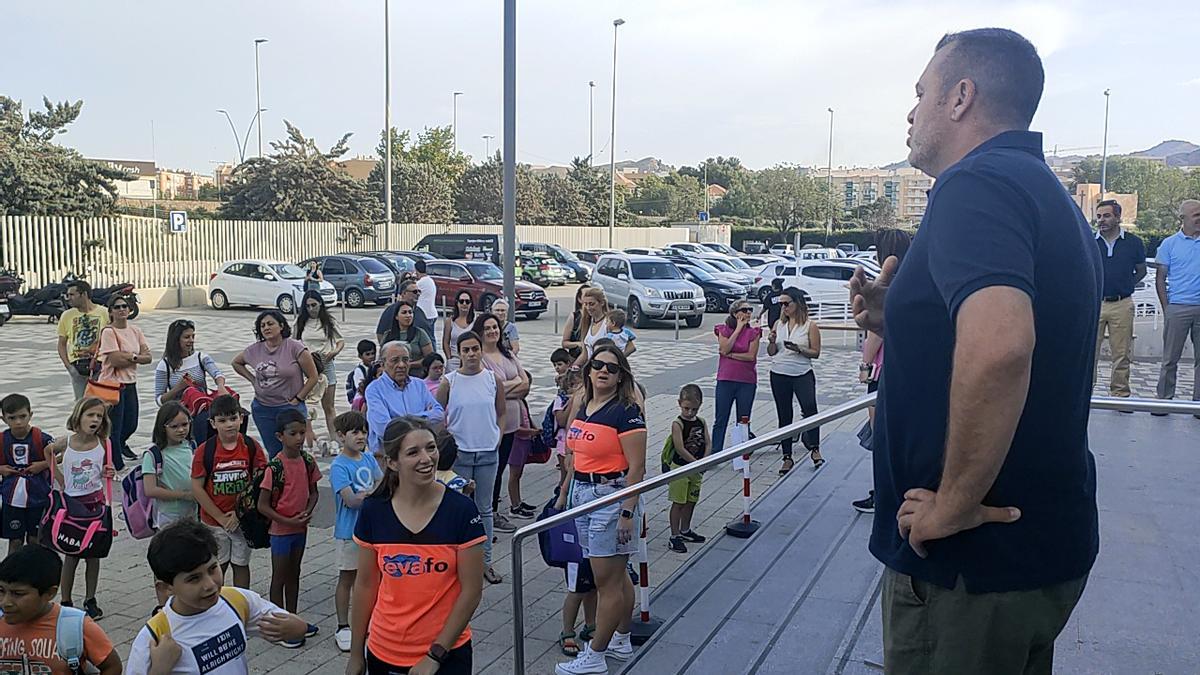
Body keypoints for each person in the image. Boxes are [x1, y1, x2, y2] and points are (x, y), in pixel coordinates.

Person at [850, 29, 1099, 673]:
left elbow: (1002, 348)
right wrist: (901, 319)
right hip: (1037, 550)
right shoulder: (1041, 189)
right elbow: (1018, 330)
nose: (910, 113)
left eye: (921, 92)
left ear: (961, 97)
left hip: (970, 570)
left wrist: (954, 501)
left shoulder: (975, 186)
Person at [348, 417, 485, 675]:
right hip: (383, 650)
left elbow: (472, 591)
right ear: (392, 462)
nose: (427, 458)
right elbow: (366, 585)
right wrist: (356, 653)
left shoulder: (461, 510)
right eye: (413, 452)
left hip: (446, 653)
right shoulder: (374, 510)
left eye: (431, 448)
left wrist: (435, 655)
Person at [554, 345, 646, 675]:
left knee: (606, 581)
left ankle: (595, 655)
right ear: (589, 370)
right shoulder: (586, 406)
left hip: (612, 495)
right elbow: (576, 455)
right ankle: (621, 637)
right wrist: (564, 492)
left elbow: (637, 468)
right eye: (597, 365)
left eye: (611, 367)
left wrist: (627, 511)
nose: (603, 371)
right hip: (582, 492)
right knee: (615, 574)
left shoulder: (626, 411)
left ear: (621, 375)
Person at [127, 520, 309, 674]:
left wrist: (297, 627)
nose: (210, 585)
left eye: (212, 569)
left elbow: (292, 627)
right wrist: (159, 671)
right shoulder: (155, 638)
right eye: (194, 578)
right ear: (166, 587)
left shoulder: (235, 600)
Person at [437, 330, 507, 585]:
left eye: (475, 349)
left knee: (485, 509)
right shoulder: (450, 381)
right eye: (465, 350)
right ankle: (457, 561)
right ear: (458, 352)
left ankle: (485, 562)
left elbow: (501, 413)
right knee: (458, 509)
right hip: (461, 455)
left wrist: (497, 437)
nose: (471, 354)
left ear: (481, 350)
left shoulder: (492, 379)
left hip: (488, 452)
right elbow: (437, 415)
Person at [852, 228, 912, 514]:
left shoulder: (886, 286)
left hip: (882, 371)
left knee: (881, 437)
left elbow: (876, 333)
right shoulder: (914, 279)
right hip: (905, 369)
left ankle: (883, 494)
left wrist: (865, 365)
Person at [0, 544, 121, 675]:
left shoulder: (75, 626)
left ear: (49, 593)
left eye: (18, 593)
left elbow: (112, 666)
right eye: (1, 591)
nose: (6, 602)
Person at [256, 408, 321, 648]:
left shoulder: (307, 461)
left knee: (295, 573)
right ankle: (278, 624)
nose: (299, 438)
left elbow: (313, 492)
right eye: (293, 433)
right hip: (281, 532)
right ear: (280, 436)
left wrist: (308, 511)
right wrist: (287, 521)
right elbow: (263, 505)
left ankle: (294, 620)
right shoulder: (275, 468)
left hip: (300, 529)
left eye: (302, 432)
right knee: (279, 577)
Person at [46, 397, 116, 620]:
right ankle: (65, 599)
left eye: (99, 416)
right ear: (78, 416)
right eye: (90, 415)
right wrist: (59, 477)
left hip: (94, 504)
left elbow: (108, 468)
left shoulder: (104, 444)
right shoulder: (66, 443)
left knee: (93, 556)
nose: (95, 419)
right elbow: (48, 451)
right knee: (71, 554)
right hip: (71, 505)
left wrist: (110, 473)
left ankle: (90, 598)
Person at [190, 394, 266, 590]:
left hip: (242, 520)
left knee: (241, 565)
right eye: (222, 421)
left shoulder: (251, 446)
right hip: (214, 523)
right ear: (213, 423)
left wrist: (240, 513)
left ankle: (241, 604)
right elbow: (197, 488)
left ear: (241, 418)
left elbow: (260, 481)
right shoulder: (204, 451)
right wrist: (220, 518)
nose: (229, 425)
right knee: (216, 566)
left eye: (233, 418)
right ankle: (215, 606)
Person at [231, 310, 319, 458]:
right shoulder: (255, 349)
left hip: (290, 408)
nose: (266, 328)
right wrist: (253, 381)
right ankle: (278, 480)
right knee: (274, 453)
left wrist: (298, 398)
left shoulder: (295, 347)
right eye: (262, 325)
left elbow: (313, 377)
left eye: (270, 324)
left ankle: (297, 479)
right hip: (263, 409)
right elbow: (236, 363)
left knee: (293, 451)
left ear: (282, 326)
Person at [329, 410, 381, 653]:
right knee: (347, 578)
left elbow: (381, 483)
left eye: (364, 431)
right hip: (349, 531)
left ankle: (370, 618)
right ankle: (342, 626)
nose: (361, 436)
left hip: (372, 530)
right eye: (355, 432)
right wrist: (372, 495)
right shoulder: (339, 466)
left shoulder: (369, 459)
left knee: (371, 577)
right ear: (341, 436)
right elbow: (351, 500)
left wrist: (370, 494)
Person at [474, 313, 531, 529]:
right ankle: (487, 511)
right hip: (491, 423)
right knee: (491, 468)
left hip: (512, 424)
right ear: (480, 332)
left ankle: (494, 510)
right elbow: (486, 390)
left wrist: (503, 388)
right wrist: (510, 385)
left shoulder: (507, 354)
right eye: (487, 328)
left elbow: (525, 383)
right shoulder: (479, 358)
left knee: (501, 467)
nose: (492, 331)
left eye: (495, 327)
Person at [143, 401, 199, 609]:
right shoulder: (153, 455)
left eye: (185, 424)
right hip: (168, 518)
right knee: (166, 562)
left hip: (192, 516)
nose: (181, 430)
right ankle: (163, 605)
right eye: (174, 426)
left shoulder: (191, 447)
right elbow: (151, 490)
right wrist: (185, 495)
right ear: (162, 427)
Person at [1092, 200, 1147, 400]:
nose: (1101, 220)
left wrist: (1126, 285)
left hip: (1122, 304)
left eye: (1106, 216)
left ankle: (1120, 394)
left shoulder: (1133, 243)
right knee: (1089, 352)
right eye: (1099, 216)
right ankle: (1087, 395)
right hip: (1095, 304)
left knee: (1122, 354)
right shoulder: (1090, 241)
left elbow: (1141, 271)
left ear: (1118, 218)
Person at [766, 287, 823, 474]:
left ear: (797, 304)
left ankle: (814, 448)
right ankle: (787, 456)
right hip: (779, 371)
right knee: (784, 414)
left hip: (802, 372)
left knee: (810, 409)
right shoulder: (778, 324)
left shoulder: (809, 325)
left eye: (786, 304)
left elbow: (816, 352)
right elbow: (771, 352)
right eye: (781, 304)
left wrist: (799, 349)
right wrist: (772, 341)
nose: (783, 308)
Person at [1154, 199, 1200, 410]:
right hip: (1178, 307)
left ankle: (1198, 404)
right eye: (1196, 214)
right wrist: (1167, 308)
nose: (1199, 218)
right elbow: (1160, 278)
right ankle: (1164, 400)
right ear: (1182, 218)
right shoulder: (1169, 244)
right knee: (1170, 359)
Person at [96, 294, 152, 467]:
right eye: (117, 307)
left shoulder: (135, 331)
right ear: (111, 311)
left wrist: (129, 356)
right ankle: (115, 463)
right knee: (115, 426)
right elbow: (114, 360)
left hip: (130, 383)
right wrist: (136, 357)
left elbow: (148, 357)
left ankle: (118, 447)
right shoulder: (108, 332)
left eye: (124, 306)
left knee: (132, 423)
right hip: (112, 384)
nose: (121, 310)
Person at [155, 318, 231, 443]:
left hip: (201, 413)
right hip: (179, 417)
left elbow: (217, 374)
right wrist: (178, 388)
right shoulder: (164, 365)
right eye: (186, 337)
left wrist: (221, 386)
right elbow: (159, 400)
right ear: (176, 339)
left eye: (192, 336)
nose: (191, 340)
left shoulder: (201, 357)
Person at [364, 341, 445, 456]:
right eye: (395, 360)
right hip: (388, 456)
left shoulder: (419, 385)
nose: (401, 365)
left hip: (418, 454)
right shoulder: (374, 390)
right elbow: (384, 429)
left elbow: (439, 414)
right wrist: (422, 420)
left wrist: (406, 419)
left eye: (406, 360)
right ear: (383, 364)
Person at [0, 394, 53, 555]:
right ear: (4, 419)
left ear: (30, 415)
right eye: (12, 418)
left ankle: (36, 575)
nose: (18, 422)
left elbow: (62, 456)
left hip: (38, 497)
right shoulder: (2, 440)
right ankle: (10, 577)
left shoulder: (41, 438)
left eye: (22, 416)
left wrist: (43, 465)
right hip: (12, 499)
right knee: (15, 541)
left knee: (35, 539)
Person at [711, 299, 761, 456]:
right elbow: (724, 347)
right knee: (721, 418)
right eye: (744, 310)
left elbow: (751, 356)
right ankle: (715, 452)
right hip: (726, 379)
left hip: (746, 381)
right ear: (734, 313)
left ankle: (743, 451)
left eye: (750, 310)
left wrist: (731, 355)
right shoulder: (723, 330)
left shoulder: (754, 333)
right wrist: (738, 329)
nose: (748, 313)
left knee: (743, 419)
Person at [296, 290, 346, 446]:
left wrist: (334, 352)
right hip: (307, 365)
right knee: (307, 403)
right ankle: (309, 437)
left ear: (320, 304)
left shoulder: (328, 322)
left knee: (328, 405)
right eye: (308, 306)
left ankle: (335, 438)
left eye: (314, 305)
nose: (311, 309)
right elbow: (293, 342)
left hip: (326, 362)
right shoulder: (300, 322)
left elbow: (340, 341)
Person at [666, 384, 710, 554]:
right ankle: (674, 535)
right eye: (686, 408)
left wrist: (706, 459)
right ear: (679, 403)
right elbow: (679, 448)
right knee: (678, 502)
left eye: (694, 409)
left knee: (691, 500)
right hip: (681, 468)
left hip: (696, 469)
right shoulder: (677, 423)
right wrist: (695, 463)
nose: (690, 413)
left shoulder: (701, 421)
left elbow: (707, 441)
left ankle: (685, 530)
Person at [57, 279, 108, 401]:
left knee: (100, 402)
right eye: (67, 295)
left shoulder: (104, 313)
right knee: (81, 403)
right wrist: (69, 367)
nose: (68, 298)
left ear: (84, 294)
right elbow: (61, 344)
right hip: (78, 365)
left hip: (100, 365)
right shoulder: (67, 316)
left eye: (72, 295)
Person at [376, 281, 432, 346]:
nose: (418, 294)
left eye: (419, 291)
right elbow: (380, 334)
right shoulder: (391, 310)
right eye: (415, 292)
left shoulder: (419, 311)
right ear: (404, 293)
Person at [571, 288, 611, 368]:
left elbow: (630, 347)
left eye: (592, 304)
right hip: (591, 369)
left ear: (602, 303)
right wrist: (572, 368)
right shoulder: (588, 322)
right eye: (585, 304)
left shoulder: (609, 323)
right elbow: (585, 354)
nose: (588, 307)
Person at [442, 290, 476, 371]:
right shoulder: (449, 321)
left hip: (471, 359)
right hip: (454, 360)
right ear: (457, 303)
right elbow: (445, 342)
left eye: (467, 301)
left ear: (471, 304)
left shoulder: (476, 321)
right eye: (461, 301)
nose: (464, 304)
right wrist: (449, 357)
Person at [560, 284, 592, 360]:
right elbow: (564, 343)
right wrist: (578, 344)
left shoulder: (597, 317)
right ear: (579, 299)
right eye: (586, 296)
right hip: (576, 357)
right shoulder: (574, 317)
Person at [414, 259, 440, 340]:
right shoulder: (430, 280)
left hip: (423, 314)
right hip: (432, 313)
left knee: (425, 338)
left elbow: (410, 290)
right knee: (431, 337)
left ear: (417, 270)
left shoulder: (420, 283)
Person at [346, 339, 377, 406]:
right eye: (367, 354)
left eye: (373, 353)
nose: (371, 356)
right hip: (362, 399)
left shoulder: (377, 367)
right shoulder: (359, 370)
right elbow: (360, 387)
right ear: (360, 356)